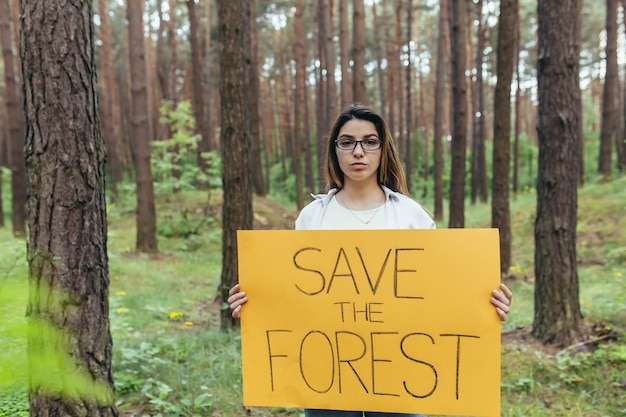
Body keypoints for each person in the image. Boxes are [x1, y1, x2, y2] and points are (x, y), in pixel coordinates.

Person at [228, 104, 513, 417]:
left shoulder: (410, 215)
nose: (358, 152)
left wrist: (485, 304)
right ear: (335, 150)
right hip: (326, 373)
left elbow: (438, 290)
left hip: (402, 371)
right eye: (347, 142)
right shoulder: (311, 217)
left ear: (382, 148)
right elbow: (294, 293)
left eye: (369, 141)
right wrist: (255, 304)